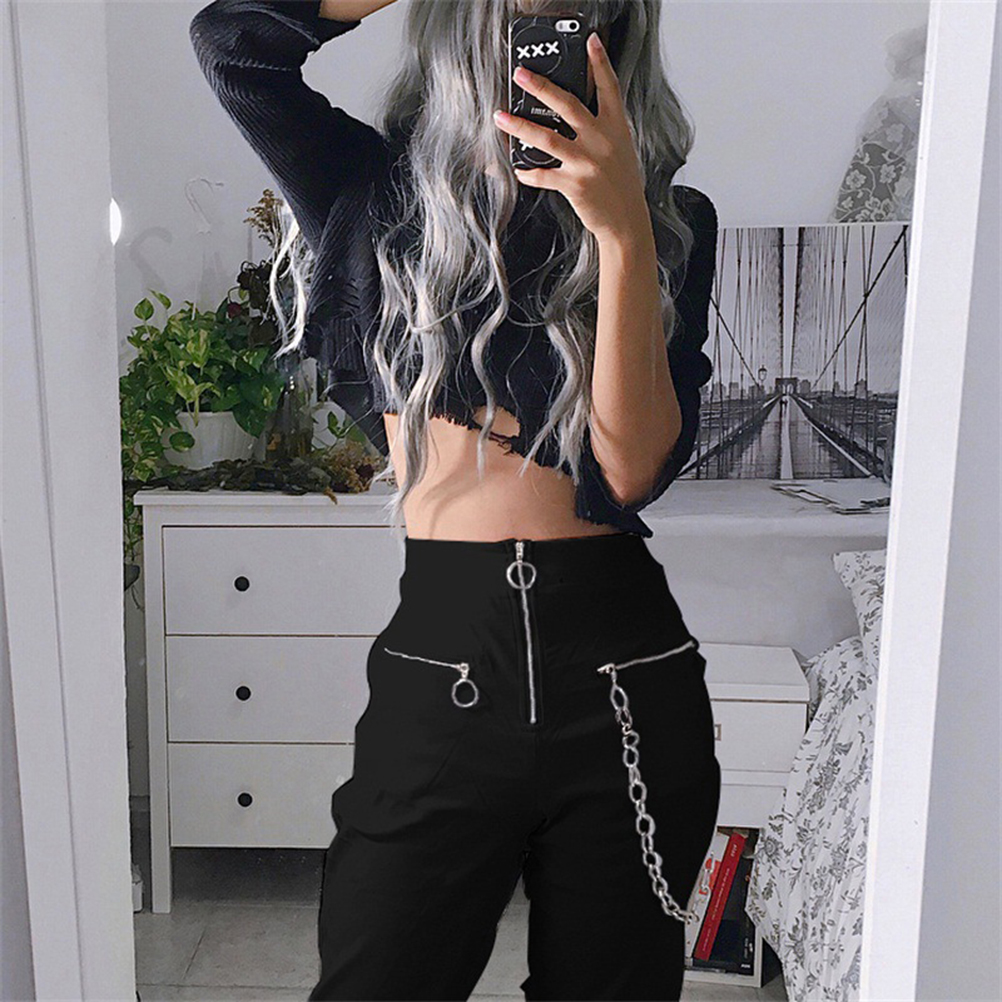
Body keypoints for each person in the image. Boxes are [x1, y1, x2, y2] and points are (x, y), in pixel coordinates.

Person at [189, 1, 721, 998]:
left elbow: (630, 470)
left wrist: (621, 232)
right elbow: (233, 45)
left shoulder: (671, 220)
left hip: (626, 683)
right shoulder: (369, 191)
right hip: (443, 662)